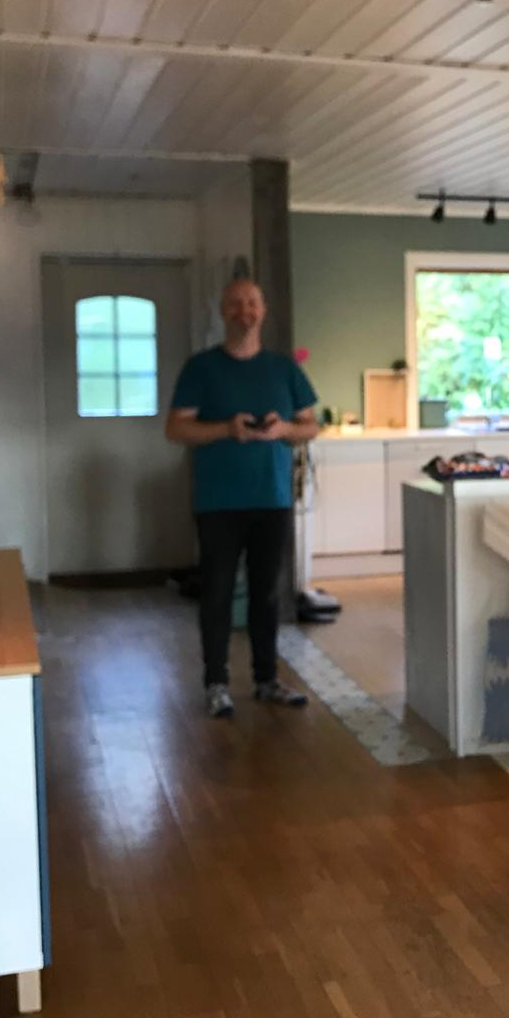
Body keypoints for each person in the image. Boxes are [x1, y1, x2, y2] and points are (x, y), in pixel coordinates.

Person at [166, 278, 320, 717]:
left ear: (263, 309)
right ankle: (216, 683)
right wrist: (225, 429)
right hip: (217, 501)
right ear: (223, 311)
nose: (244, 311)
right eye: (235, 304)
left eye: (251, 303)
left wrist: (282, 429)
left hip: (271, 498)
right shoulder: (201, 368)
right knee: (215, 592)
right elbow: (176, 429)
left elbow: (309, 425)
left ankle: (266, 678)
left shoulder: (284, 369)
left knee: (266, 594)